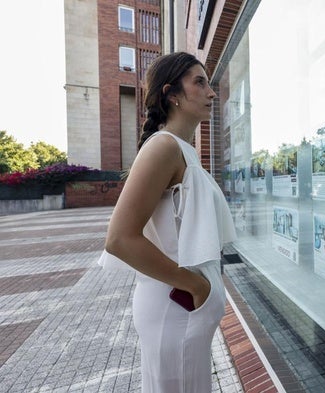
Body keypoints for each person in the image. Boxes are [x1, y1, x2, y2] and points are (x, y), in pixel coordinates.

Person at [98, 52, 236, 392]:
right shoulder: (163, 147)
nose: (211, 92)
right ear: (172, 94)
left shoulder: (183, 149)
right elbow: (119, 239)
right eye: (199, 83)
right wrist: (196, 286)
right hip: (175, 307)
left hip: (185, 310)